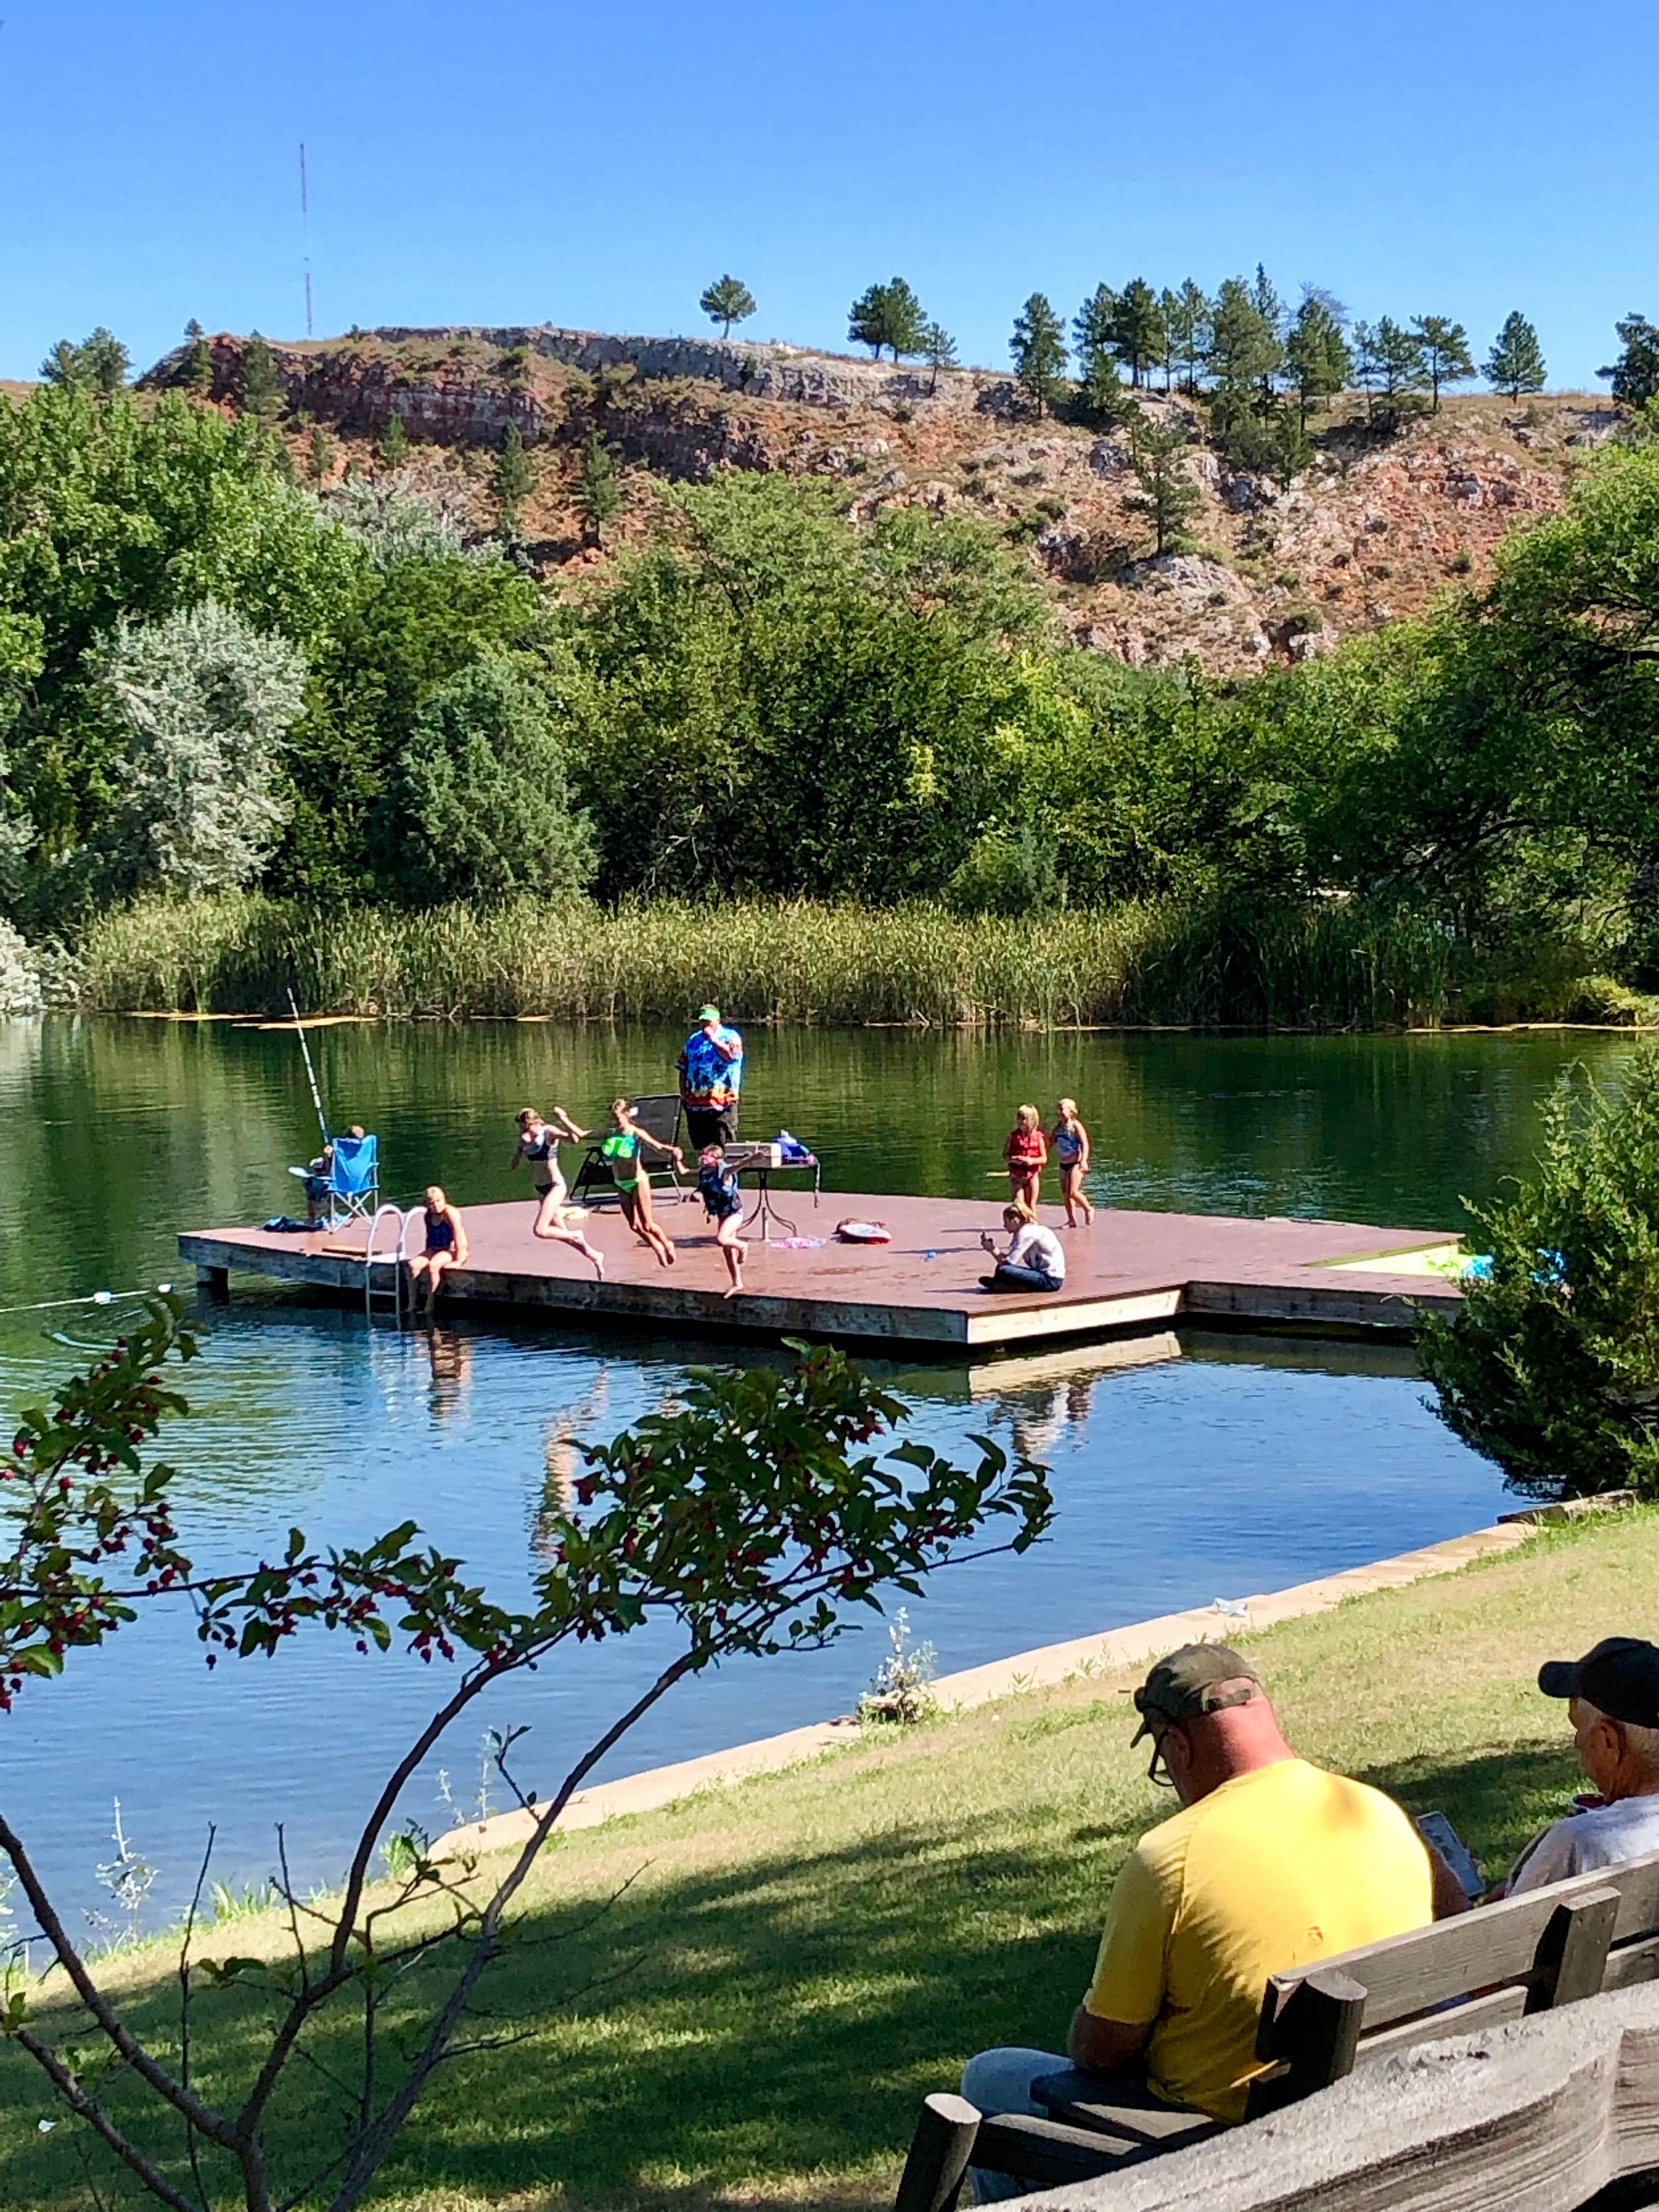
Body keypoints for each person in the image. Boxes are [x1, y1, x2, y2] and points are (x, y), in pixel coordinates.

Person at [960, 1645, 1438, 2194]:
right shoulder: (1373, 1810)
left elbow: (1103, 2050)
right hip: (1370, 2111)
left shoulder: (1171, 1860)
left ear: (1179, 1746)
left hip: (1223, 2146)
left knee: (990, 2077)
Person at [1500, 1639, 1659, 1895]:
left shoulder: (1580, 1843)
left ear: (1609, 1741)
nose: (1577, 1742)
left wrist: (1445, 1884)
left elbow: (1500, 1934)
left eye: (1579, 1728)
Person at [509, 1107, 603, 1278]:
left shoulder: (549, 1132)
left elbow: (574, 1140)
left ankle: (577, 1234)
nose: (523, 1130)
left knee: (541, 1230)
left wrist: (564, 1119)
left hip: (555, 1185)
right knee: (564, 1235)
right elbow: (514, 1164)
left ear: (534, 1122)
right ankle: (594, 1256)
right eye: (521, 1127)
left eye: (525, 1126)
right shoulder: (524, 1139)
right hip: (541, 1188)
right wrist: (520, 1148)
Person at [601, 1098, 685, 1269]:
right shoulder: (611, 1135)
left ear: (626, 1115)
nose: (616, 1121)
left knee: (648, 1224)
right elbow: (584, 1134)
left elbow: (657, 1146)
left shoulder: (635, 1133)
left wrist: (673, 1150)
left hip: (638, 1180)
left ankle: (667, 1244)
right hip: (621, 1182)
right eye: (613, 1118)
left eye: (618, 1117)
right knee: (634, 1225)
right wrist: (566, 1121)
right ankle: (657, 1247)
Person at [678, 1005, 744, 1149]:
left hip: (722, 1104)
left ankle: (726, 1173)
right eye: (703, 1021)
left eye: (709, 1021)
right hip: (696, 1106)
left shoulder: (731, 1037)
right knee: (703, 1151)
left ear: (718, 1020)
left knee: (725, 1148)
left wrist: (713, 1039)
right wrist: (683, 1094)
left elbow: (730, 1056)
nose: (705, 1025)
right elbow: (683, 1067)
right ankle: (706, 1172)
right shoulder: (693, 1040)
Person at [980, 1202, 1066, 1293]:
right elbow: (1007, 1261)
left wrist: (992, 1250)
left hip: (1050, 1279)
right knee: (1001, 1269)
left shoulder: (1025, 1233)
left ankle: (1011, 1287)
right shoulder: (1027, 1230)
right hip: (1046, 1276)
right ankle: (1006, 1286)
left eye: (1006, 1222)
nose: (1004, 1226)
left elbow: (1009, 1263)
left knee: (1004, 1270)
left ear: (1014, 1220)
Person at [408, 1186, 469, 1314]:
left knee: (433, 1266)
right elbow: (429, 1236)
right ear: (427, 1204)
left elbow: (458, 1235)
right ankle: (412, 1304)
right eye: (432, 1203)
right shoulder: (428, 1217)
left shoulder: (449, 1214)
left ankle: (430, 1305)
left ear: (444, 1200)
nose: (436, 1205)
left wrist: (459, 1259)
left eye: (439, 1201)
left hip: (450, 1249)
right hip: (435, 1247)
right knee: (413, 1265)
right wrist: (426, 1254)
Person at [697, 1143, 748, 1296]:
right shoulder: (705, 1173)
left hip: (735, 1213)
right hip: (722, 1214)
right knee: (727, 1251)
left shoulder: (725, 1171)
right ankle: (737, 1283)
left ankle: (743, 1246)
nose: (703, 1157)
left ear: (716, 1158)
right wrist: (676, 1159)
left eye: (707, 1155)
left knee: (722, 1239)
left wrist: (754, 1158)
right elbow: (685, 1172)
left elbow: (738, 1165)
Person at [1052, 1098, 1096, 1227]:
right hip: (1063, 1163)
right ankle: (1071, 1219)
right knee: (1065, 1194)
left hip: (1075, 1163)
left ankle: (1088, 1208)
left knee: (1073, 1192)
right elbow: (1050, 1142)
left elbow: (1085, 1143)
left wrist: (1084, 1161)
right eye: (1058, 1109)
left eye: (1062, 1109)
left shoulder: (1075, 1126)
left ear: (1071, 1112)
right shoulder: (1059, 1128)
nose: (1059, 1112)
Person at [1004, 1104, 1047, 1211]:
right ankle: (1020, 1226)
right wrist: (1015, 1159)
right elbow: (1005, 1156)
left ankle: (1033, 1225)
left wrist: (1031, 1161)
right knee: (1019, 1205)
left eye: (1023, 1118)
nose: (1020, 1121)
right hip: (1017, 1174)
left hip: (1032, 1174)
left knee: (1031, 1205)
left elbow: (1044, 1159)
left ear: (1032, 1120)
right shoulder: (1012, 1137)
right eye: (1019, 1117)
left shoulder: (1038, 1137)